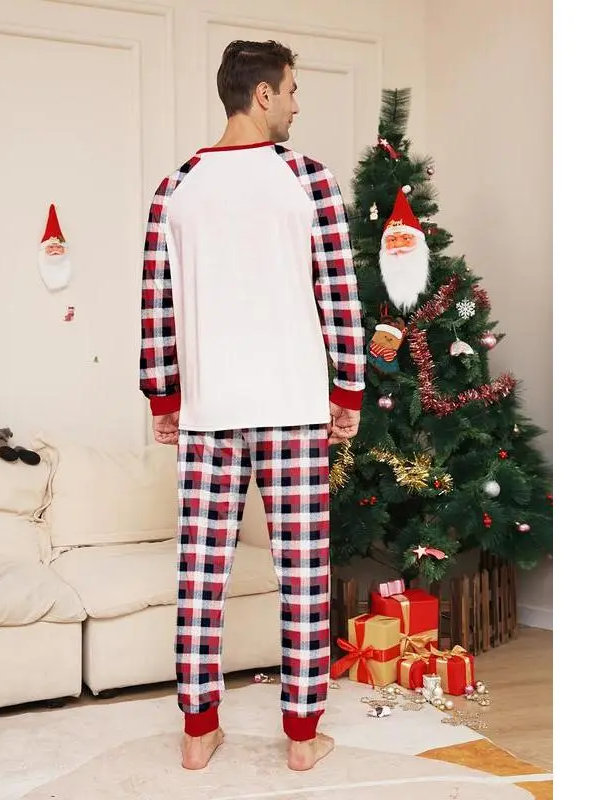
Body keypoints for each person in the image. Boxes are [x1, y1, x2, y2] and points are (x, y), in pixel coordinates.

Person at [138, 39, 366, 772]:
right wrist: (348, 389)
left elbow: (157, 304)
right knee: (303, 576)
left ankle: (198, 733)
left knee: (201, 576)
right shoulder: (308, 179)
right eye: (292, 90)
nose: (297, 104)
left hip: (209, 411)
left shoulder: (176, 187)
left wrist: (164, 396)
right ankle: (301, 739)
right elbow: (338, 294)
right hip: (294, 406)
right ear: (263, 94)